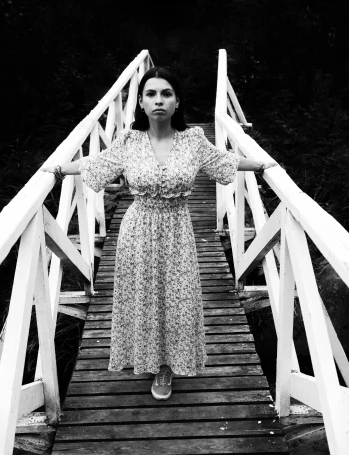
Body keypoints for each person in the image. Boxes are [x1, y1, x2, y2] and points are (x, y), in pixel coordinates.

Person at [41, 67, 276, 400]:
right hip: (138, 230)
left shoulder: (193, 140)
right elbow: (99, 163)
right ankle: (149, 360)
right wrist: (59, 168)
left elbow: (224, 161)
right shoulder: (130, 140)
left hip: (178, 229)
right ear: (140, 101)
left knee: (177, 299)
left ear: (177, 101)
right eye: (150, 94)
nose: (158, 101)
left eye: (166, 93)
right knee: (144, 299)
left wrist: (265, 164)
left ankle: (168, 366)